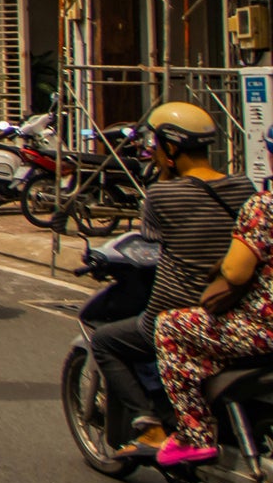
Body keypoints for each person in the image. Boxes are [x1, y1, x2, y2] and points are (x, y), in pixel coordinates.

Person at [88, 102, 254, 456]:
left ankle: (150, 428)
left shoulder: (163, 194)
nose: (152, 152)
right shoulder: (243, 186)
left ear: (171, 147)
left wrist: (163, 175)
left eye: (156, 145)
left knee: (104, 341)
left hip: (178, 312)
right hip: (236, 308)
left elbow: (151, 239)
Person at [152, 127, 273, 467]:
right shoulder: (242, 186)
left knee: (169, 326)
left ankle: (195, 433)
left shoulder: (263, 206)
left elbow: (236, 272)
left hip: (263, 329)